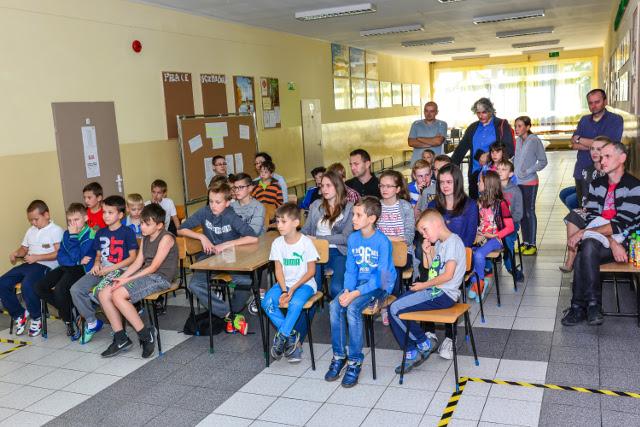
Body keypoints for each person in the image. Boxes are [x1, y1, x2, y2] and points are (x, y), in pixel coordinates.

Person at [561, 141, 640, 326]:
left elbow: (622, 224)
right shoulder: (597, 184)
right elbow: (592, 217)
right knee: (587, 247)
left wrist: (584, 232)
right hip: (608, 242)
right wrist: (612, 242)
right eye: (601, 156)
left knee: (583, 251)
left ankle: (578, 307)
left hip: (628, 243)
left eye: (607, 156)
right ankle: (592, 306)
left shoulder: (634, 186)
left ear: (622, 158)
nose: (602, 161)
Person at [324, 197, 396, 388]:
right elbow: (351, 270)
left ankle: (355, 361)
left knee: (352, 309)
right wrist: (347, 290)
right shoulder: (353, 239)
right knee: (334, 306)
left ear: (371, 219)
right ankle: (339, 356)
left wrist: (355, 294)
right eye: (353, 215)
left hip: (380, 285)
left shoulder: (382, 242)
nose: (353, 219)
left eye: (358, 215)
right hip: (357, 284)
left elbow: (381, 277)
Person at [389, 209, 465, 373]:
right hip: (435, 291)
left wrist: (423, 286)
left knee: (394, 308)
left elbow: (448, 275)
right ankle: (416, 347)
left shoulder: (453, 242)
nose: (424, 235)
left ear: (437, 223)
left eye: (425, 229)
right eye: (421, 232)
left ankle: (420, 345)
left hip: (443, 294)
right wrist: (427, 252)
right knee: (396, 307)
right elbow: (431, 269)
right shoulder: (441, 243)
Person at [99, 203, 177, 358]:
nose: (142, 227)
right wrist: (122, 278)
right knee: (104, 293)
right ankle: (121, 338)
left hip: (160, 277)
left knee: (117, 295)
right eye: (141, 223)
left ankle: (145, 335)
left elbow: (154, 267)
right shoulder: (146, 237)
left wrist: (127, 279)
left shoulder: (166, 238)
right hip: (145, 274)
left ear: (159, 225)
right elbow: (137, 263)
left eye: (147, 224)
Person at [178, 181, 258, 323]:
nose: (213, 205)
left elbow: (253, 237)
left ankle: (234, 310)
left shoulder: (231, 216)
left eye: (218, 202)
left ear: (227, 203)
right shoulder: (204, 212)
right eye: (211, 201)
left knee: (245, 282)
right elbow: (180, 229)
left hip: (230, 256)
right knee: (195, 284)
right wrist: (201, 237)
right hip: (209, 257)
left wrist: (227, 244)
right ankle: (227, 314)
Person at [70, 195, 139, 343]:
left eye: (110, 212)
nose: (105, 216)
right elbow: (98, 255)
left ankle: (118, 328)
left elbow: (133, 258)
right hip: (102, 270)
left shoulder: (127, 232)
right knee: (76, 289)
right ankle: (92, 322)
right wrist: (96, 264)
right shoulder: (101, 232)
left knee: (100, 293)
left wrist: (110, 268)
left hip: (121, 270)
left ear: (120, 215)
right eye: (104, 212)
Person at [262, 203, 319, 363]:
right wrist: (284, 290)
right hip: (284, 284)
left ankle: (283, 335)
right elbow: (278, 270)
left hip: (305, 284)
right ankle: (291, 335)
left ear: (295, 223)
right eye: (277, 221)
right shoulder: (277, 243)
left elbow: (311, 272)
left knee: (295, 303)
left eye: (283, 221)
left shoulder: (306, 242)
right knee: (267, 302)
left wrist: (292, 289)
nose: (279, 225)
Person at [0, 200, 63, 336]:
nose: (33, 223)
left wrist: (37, 257)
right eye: (31, 220)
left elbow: (59, 254)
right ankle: (19, 314)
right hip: (29, 264)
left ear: (46, 215)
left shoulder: (56, 230)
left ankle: (36, 317)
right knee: (2, 282)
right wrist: (16, 253)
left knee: (27, 284)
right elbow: (24, 249)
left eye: (36, 219)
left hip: (47, 266)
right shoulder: (31, 231)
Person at [34, 203, 96, 340]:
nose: (73, 224)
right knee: (39, 287)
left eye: (76, 220)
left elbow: (76, 255)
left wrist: (73, 238)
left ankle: (68, 321)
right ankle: (71, 310)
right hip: (69, 266)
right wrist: (76, 260)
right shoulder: (67, 234)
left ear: (85, 218)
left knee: (60, 290)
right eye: (69, 221)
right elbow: (61, 257)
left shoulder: (91, 235)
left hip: (82, 270)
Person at [301, 171, 354, 299]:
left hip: (339, 252)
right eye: (322, 186)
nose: (324, 189)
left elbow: (345, 238)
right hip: (316, 251)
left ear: (338, 186)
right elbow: (305, 230)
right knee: (313, 287)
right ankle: (313, 308)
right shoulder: (316, 205)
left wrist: (318, 238)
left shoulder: (350, 208)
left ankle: (337, 310)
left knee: (337, 288)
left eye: (328, 185)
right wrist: (296, 237)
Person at [451, 98, 515, 199]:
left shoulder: (501, 125)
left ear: (490, 111)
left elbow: (510, 149)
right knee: (475, 204)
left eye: (484, 112)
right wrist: (450, 167)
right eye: (478, 113)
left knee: (494, 204)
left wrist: (489, 155)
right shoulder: (473, 127)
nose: (481, 116)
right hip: (475, 174)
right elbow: (461, 149)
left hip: (495, 174)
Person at [560, 137, 607, 273]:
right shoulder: (587, 170)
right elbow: (586, 196)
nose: (594, 152)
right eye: (592, 149)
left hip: (607, 212)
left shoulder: (610, 171)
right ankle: (571, 257)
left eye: (599, 149)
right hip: (591, 210)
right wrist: (585, 207)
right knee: (573, 215)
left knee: (576, 211)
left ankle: (578, 258)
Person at [571, 89, 623, 209]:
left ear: (605, 101)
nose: (593, 106)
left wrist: (580, 139)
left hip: (604, 174)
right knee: (583, 209)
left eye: (597, 102)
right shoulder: (584, 120)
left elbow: (609, 145)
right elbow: (573, 144)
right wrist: (597, 146)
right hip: (581, 171)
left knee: (602, 210)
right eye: (590, 103)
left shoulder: (615, 120)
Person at [469, 171, 515, 301]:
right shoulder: (479, 202)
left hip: (496, 239)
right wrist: (477, 233)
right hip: (482, 238)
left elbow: (510, 227)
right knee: (467, 252)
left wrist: (494, 234)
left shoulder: (501, 204)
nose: (477, 183)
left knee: (479, 255)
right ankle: (479, 280)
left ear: (488, 185)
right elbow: (478, 223)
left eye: (480, 181)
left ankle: (479, 284)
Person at [513, 116, 548, 255]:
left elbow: (543, 161)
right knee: (522, 213)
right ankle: (525, 242)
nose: (516, 129)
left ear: (527, 127)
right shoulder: (518, 141)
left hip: (530, 182)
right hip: (518, 182)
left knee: (529, 212)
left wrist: (528, 171)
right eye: (515, 126)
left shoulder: (534, 140)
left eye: (520, 126)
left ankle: (532, 244)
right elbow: (518, 159)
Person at [377, 170, 415, 298]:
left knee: (391, 263)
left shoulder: (406, 207)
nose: (384, 189)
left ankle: (391, 301)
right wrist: (392, 239)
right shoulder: (375, 207)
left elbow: (408, 238)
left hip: (402, 253)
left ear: (397, 189)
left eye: (389, 186)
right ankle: (382, 300)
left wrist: (384, 238)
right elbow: (371, 234)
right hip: (380, 252)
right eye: (382, 186)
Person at [497, 160, 524, 281]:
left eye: (504, 169)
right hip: (495, 225)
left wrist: (508, 224)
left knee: (507, 240)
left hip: (511, 224)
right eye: (498, 169)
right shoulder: (493, 188)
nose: (500, 172)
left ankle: (511, 268)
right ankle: (487, 268)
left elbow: (518, 213)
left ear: (511, 173)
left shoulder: (515, 190)